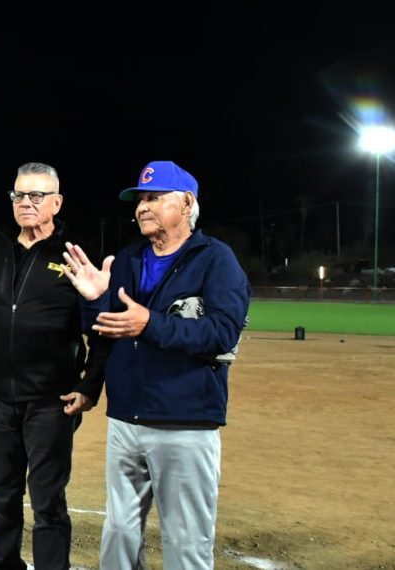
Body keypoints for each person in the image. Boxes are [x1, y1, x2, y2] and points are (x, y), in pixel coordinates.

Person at [62, 161, 250, 569]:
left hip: (185, 420)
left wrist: (150, 324)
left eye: (155, 197)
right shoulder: (129, 260)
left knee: (185, 539)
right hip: (126, 419)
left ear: (187, 203)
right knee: (119, 532)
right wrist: (94, 301)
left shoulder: (215, 260)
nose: (143, 206)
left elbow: (222, 333)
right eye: (140, 199)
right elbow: (107, 333)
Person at [0, 163, 109, 570]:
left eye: (37, 196)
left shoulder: (74, 255)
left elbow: (101, 330)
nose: (26, 203)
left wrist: (89, 385)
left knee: (48, 501)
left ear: (57, 202)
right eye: (19, 195)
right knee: (1, 496)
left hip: (51, 401)